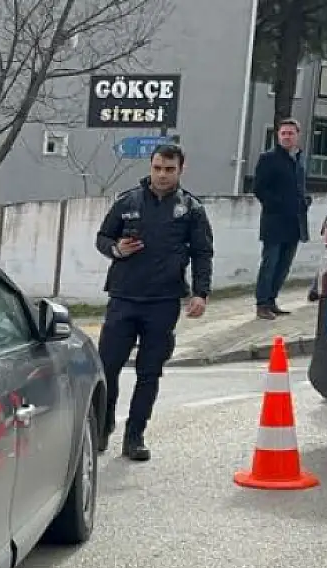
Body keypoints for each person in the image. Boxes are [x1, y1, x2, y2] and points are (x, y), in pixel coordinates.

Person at [93, 143, 214, 463]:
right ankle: (102, 430)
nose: (162, 175)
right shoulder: (127, 201)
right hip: (123, 297)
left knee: (149, 373)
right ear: (150, 166)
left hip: (163, 302)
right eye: (157, 168)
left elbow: (203, 253)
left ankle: (135, 436)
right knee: (108, 368)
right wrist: (117, 249)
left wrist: (201, 293)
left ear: (180, 170)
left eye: (169, 169)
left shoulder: (191, 209)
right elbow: (102, 238)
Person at [252, 118, 312, 320]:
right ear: (278, 135)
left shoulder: (299, 158)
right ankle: (262, 304)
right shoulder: (268, 158)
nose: (287, 136)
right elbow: (259, 189)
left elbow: (298, 186)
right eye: (283, 133)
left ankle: (272, 300)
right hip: (274, 221)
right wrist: (278, 204)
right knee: (270, 263)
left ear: (297, 135)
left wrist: (305, 199)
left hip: (295, 222)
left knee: (284, 265)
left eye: (290, 133)